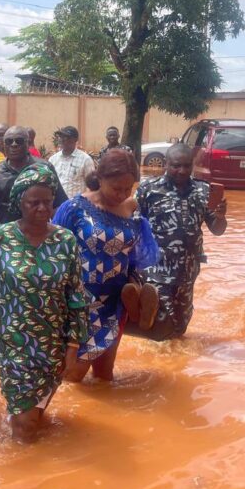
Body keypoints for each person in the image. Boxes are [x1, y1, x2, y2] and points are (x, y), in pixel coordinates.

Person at [0, 163, 88, 442]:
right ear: (19, 203)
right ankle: (23, 477)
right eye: (33, 202)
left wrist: (73, 346)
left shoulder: (66, 241)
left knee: (36, 415)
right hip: (15, 344)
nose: (42, 209)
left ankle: (38, 469)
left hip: (54, 343)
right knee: (25, 428)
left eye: (48, 203)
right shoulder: (1, 237)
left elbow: (76, 295)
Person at [53, 149, 159, 382]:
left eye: (127, 188)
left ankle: (138, 308)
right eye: (116, 188)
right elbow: (54, 253)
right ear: (100, 179)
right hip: (80, 305)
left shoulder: (130, 208)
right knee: (72, 377)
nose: (122, 194)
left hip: (116, 300)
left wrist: (134, 278)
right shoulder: (74, 208)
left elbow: (136, 251)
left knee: (104, 375)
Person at [133, 143, 228, 340]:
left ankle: (177, 359)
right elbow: (133, 226)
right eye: (176, 165)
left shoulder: (204, 191)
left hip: (188, 270)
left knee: (181, 323)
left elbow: (217, 231)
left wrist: (220, 216)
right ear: (166, 164)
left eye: (186, 166)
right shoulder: (148, 190)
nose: (182, 171)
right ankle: (159, 363)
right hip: (156, 269)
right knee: (160, 320)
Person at [0, 125, 67, 223]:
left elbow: (59, 204)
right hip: (6, 235)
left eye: (19, 141)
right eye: (9, 141)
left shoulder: (45, 168)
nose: (14, 145)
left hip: (39, 233)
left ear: (28, 143)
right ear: (4, 145)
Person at [48, 126, 95, 198]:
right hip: (57, 206)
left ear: (75, 139)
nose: (62, 140)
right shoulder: (53, 159)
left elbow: (92, 186)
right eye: (61, 137)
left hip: (76, 205)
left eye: (66, 137)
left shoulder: (85, 159)